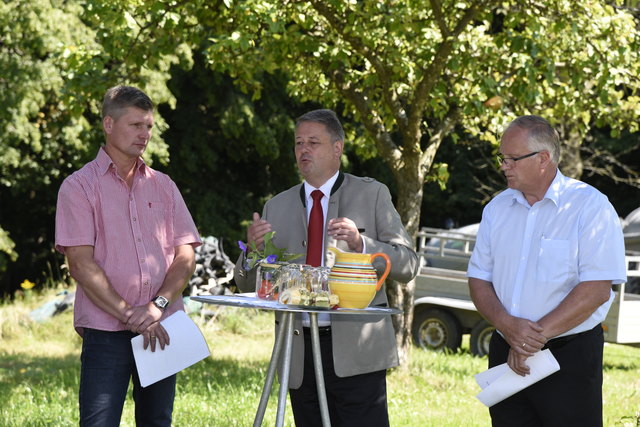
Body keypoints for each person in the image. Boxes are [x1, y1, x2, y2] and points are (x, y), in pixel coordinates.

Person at [234, 109, 419, 427]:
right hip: (299, 351)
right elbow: (246, 285)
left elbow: (408, 264)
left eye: (313, 142)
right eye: (298, 143)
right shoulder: (275, 206)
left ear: (338, 147)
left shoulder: (372, 194)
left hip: (357, 352)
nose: (303, 150)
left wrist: (363, 245)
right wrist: (251, 251)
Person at [55, 85, 202, 426]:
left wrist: (156, 307)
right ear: (108, 124)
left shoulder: (164, 185)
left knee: (157, 421)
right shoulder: (78, 187)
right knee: (98, 422)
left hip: (162, 327)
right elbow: (80, 263)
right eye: (136, 125)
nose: (145, 134)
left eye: (149, 126)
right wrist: (130, 314)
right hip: (106, 332)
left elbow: (184, 255)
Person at [467, 115, 627, 426]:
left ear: (544, 159)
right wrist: (509, 328)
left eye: (513, 158)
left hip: (569, 356)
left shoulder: (590, 206)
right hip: (506, 351)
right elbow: (479, 280)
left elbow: (596, 289)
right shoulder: (496, 209)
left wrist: (531, 340)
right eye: (502, 157)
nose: (504, 166)